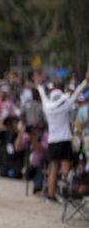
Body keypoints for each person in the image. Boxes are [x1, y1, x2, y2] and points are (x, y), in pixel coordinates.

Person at [38, 69, 87, 201]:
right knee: (65, 168)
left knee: (53, 168)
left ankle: (50, 194)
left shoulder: (47, 107)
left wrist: (38, 85)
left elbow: (42, 95)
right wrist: (85, 81)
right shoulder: (65, 105)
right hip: (64, 139)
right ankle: (65, 194)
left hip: (52, 140)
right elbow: (76, 93)